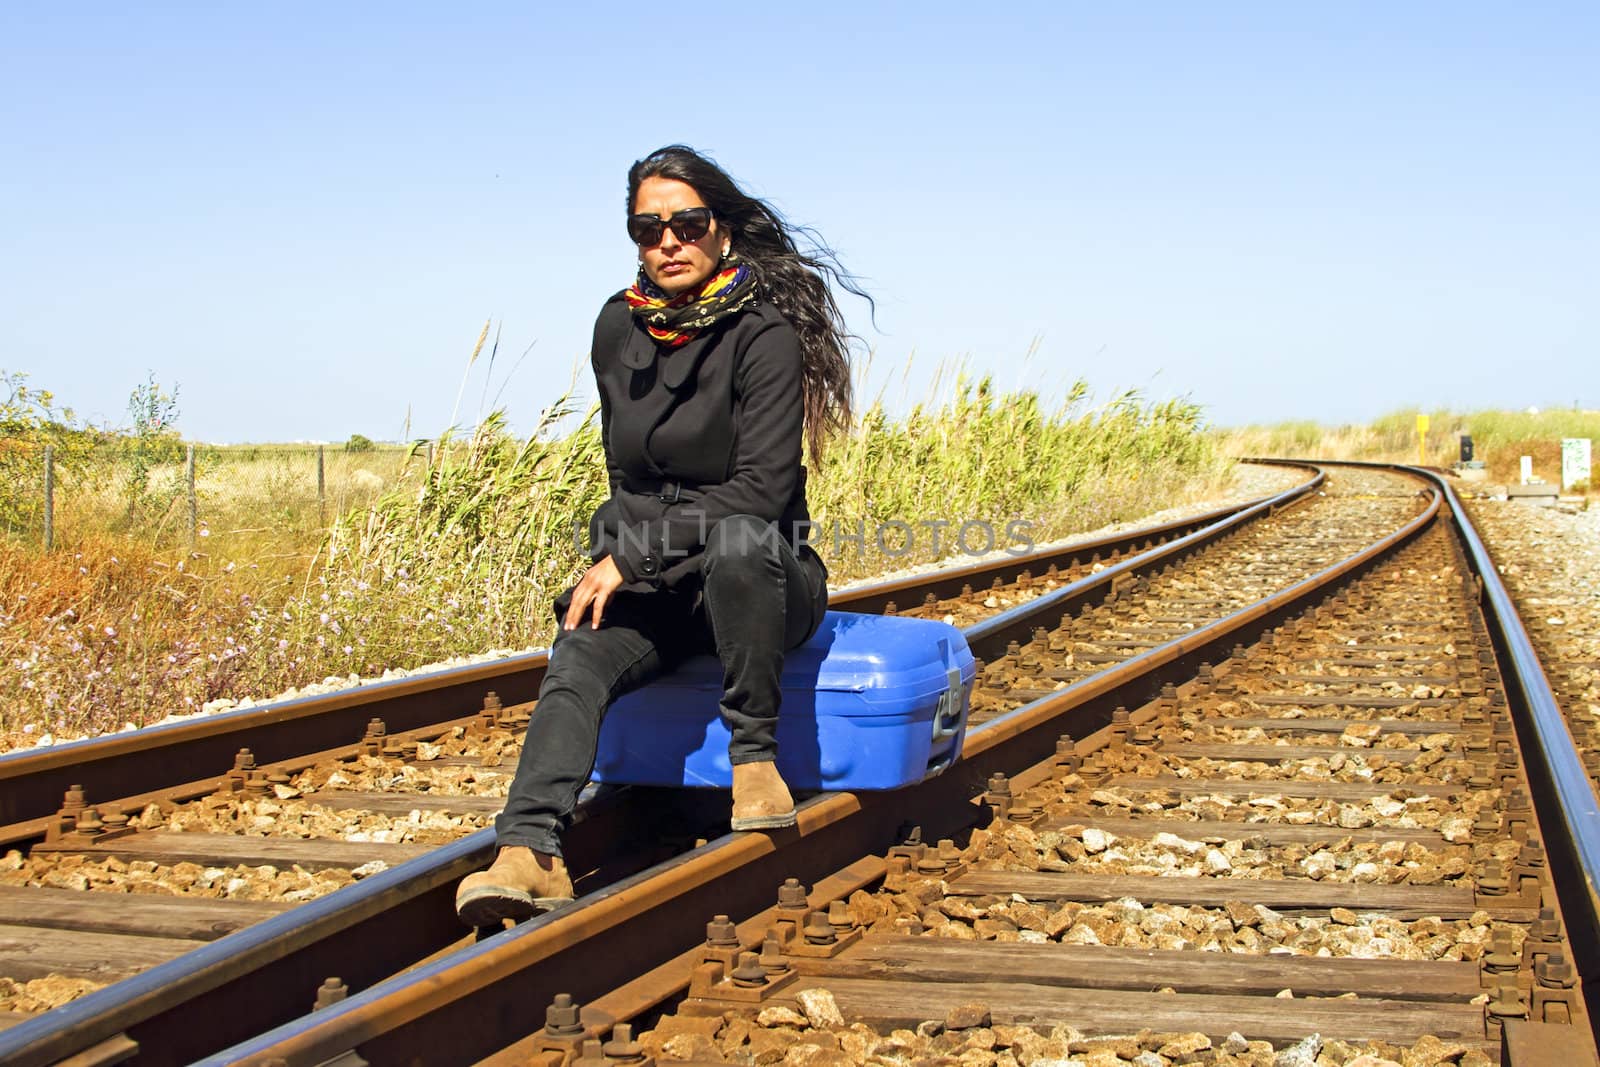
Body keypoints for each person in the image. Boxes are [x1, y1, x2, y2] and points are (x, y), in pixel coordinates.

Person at [455, 145, 867, 926]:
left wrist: (635, 553)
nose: (667, 241)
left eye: (687, 223)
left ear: (722, 233)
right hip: (670, 581)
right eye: (648, 227)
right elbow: (628, 478)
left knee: (741, 541)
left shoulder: (763, 334)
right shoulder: (618, 326)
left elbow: (762, 489)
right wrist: (618, 564)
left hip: (768, 581)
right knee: (582, 638)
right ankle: (529, 848)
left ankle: (754, 764)